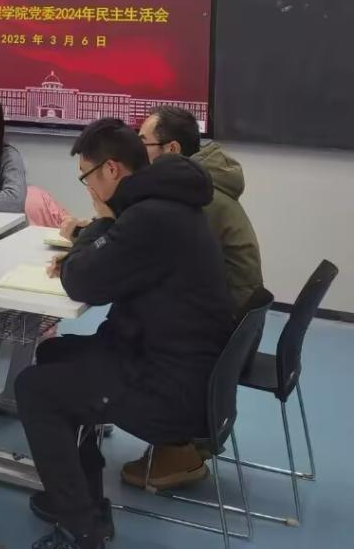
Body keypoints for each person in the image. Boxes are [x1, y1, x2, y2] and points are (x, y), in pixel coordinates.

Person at [16, 118, 234, 549]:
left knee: (33, 389)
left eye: (87, 176)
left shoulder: (149, 217)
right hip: (173, 362)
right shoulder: (165, 205)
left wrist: (99, 225)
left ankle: (81, 529)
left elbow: (83, 283)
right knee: (55, 354)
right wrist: (94, 247)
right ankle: (86, 498)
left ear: (112, 169)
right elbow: (108, 270)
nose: (88, 188)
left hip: (167, 385)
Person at [113, 106, 264, 490]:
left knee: (125, 333)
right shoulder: (200, 185)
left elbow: (150, 258)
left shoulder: (197, 198)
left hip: (222, 336)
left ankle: (178, 447)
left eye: (143, 143)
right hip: (236, 326)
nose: (136, 152)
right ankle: (175, 444)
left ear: (172, 149)